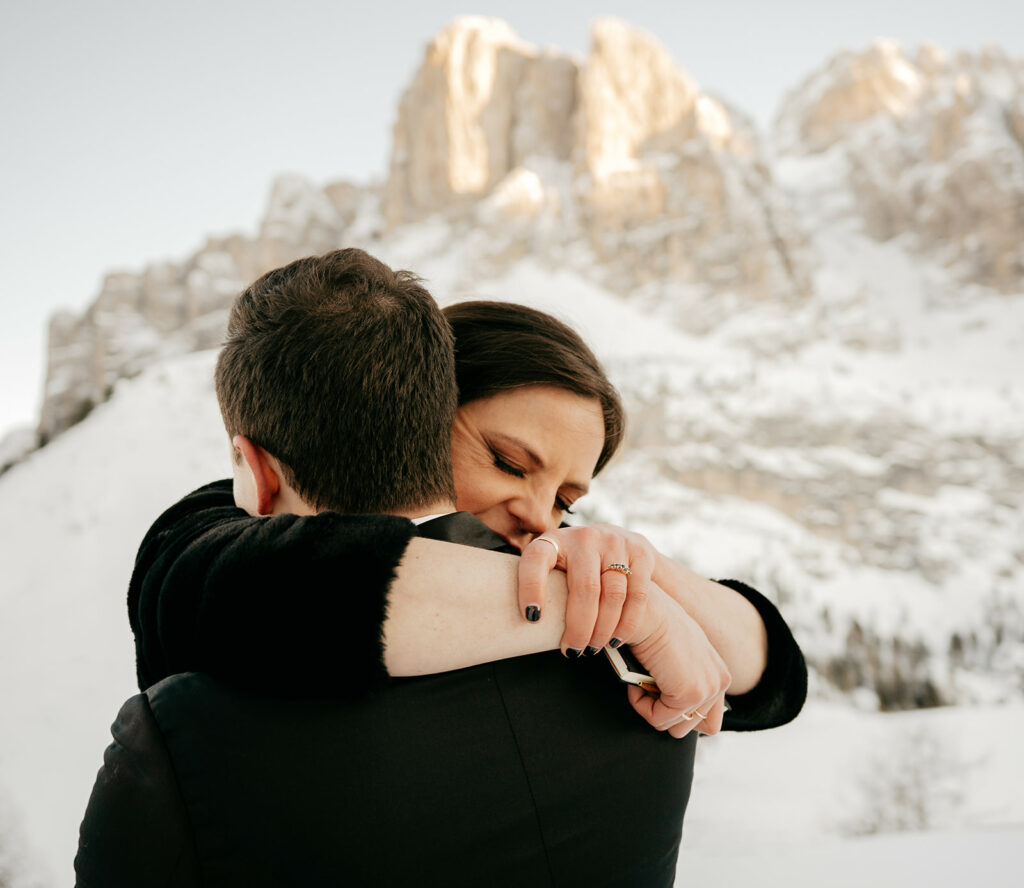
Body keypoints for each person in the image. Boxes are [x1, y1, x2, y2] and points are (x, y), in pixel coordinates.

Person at [75, 249, 780, 886]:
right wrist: (634, 613)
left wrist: (641, 574)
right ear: (414, 414)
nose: (543, 520)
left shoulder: (184, 737)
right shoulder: (622, 661)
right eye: (508, 462)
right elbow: (235, 567)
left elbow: (774, 671)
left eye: (568, 500)